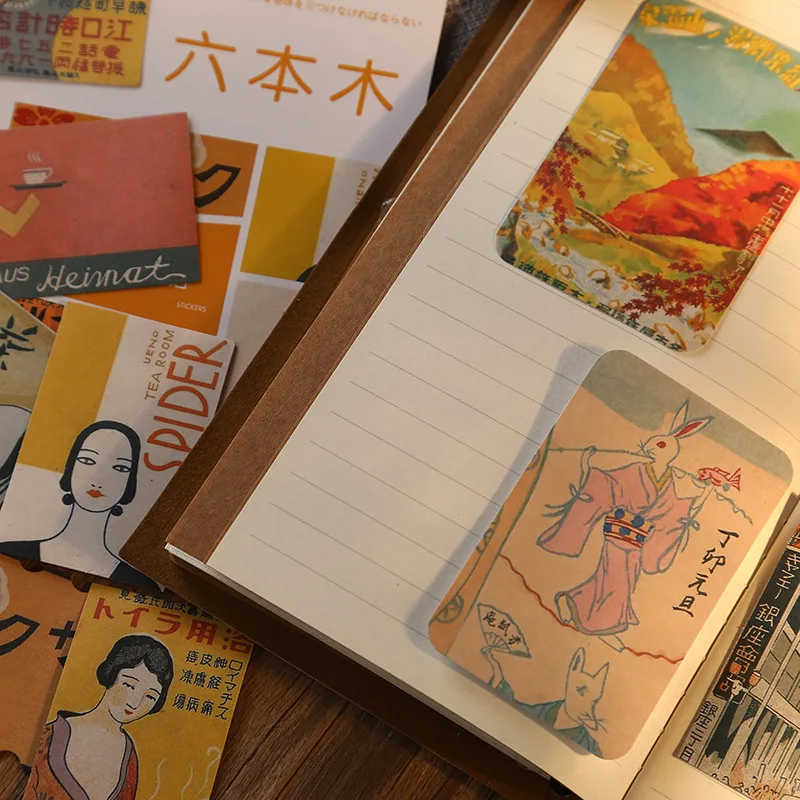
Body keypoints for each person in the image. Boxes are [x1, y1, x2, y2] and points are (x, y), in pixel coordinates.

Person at [0, 420, 154, 586]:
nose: (98, 481)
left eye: (120, 468)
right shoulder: (11, 550)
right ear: (70, 468)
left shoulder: (140, 580)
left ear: (130, 482)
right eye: (87, 460)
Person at [25, 635, 173, 800]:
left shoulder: (129, 758)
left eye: (150, 696)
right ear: (112, 674)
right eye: (129, 685)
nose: (135, 703)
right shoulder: (49, 737)